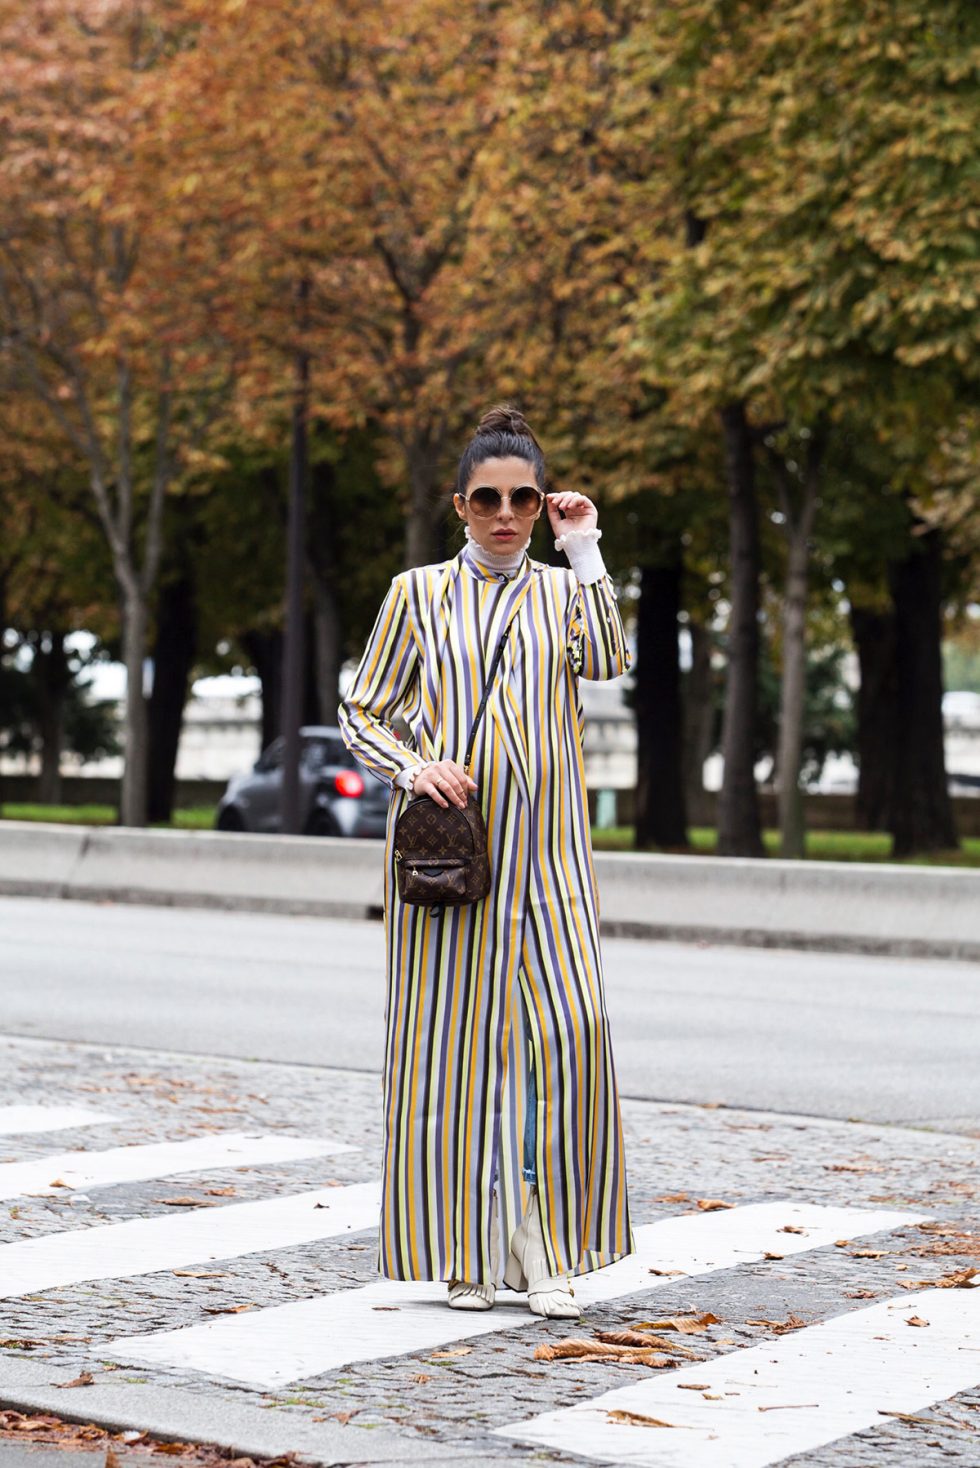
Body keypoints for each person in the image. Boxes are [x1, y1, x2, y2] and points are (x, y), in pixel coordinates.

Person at [338, 405, 634, 1318]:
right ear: (458, 504)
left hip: (550, 857)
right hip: (451, 859)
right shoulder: (416, 594)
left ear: (541, 503)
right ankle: (466, 1251)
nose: (506, 514)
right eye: (487, 499)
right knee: (449, 1052)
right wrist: (413, 767)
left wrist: (583, 547)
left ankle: (547, 1248)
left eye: (524, 498)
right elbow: (363, 711)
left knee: (567, 1038)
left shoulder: (561, 592)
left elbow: (608, 661)